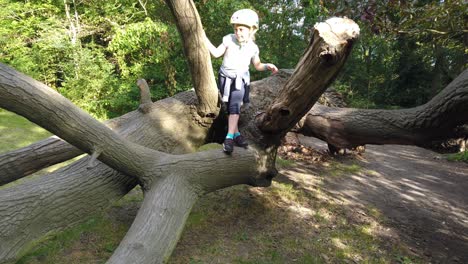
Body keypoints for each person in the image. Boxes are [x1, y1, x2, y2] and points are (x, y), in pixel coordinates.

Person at [204, 9, 278, 154]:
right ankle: (237, 134)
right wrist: (203, 38)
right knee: (230, 109)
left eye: (242, 29)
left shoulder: (253, 48)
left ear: (252, 30)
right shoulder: (228, 39)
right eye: (236, 29)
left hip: (240, 81)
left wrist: (267, 65)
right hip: (225, 78)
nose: (238, 32)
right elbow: (216, 53)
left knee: (235, 107)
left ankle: (229, 138)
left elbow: (257, 65)